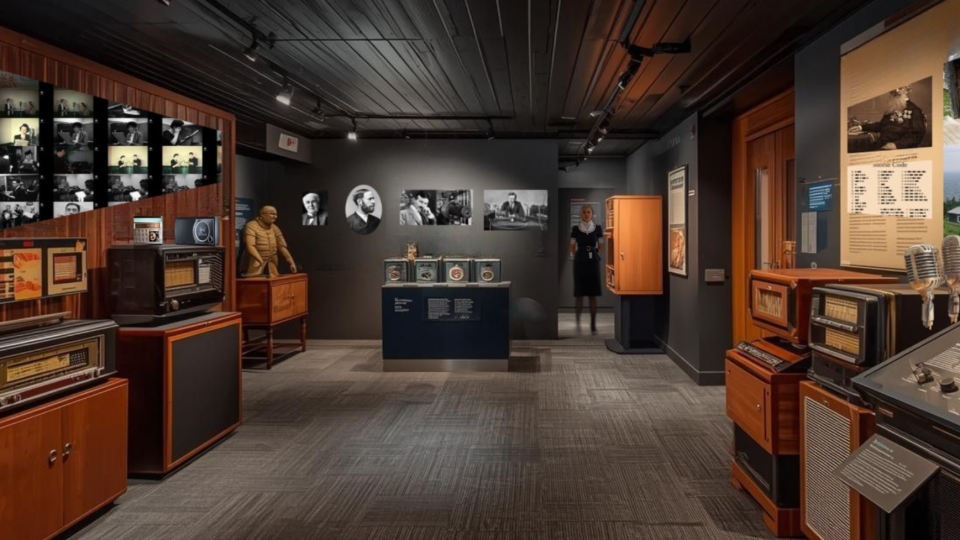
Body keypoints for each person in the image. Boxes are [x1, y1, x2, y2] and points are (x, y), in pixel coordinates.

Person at [848, 85, 926, 151]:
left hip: (899, 149)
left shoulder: (915, 110)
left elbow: (917, 135)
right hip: (882, 144)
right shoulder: (893, 109)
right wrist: (861, 127)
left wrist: (896, 145)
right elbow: (882, 125)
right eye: (892, 95)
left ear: (902, 95)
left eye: (894, 96)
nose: (891, 99)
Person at [569, 204, 604, 334]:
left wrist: (595, 255)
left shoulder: (598, 228)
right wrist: (577, 255)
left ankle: (593, 324)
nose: (586, 214)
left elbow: (600, 245)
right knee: (579, 293)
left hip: (593, 262)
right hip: (579, 262)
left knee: (592, 294)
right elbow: (572, 246)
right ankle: (577, 322)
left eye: (588, 212)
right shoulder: (576, 229)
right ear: (581, 214)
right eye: (584, 212)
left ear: (592, 213)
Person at [242, 205, 297, 277]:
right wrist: (260, 260)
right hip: (257, 261)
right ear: (262, 214)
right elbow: (250, 246)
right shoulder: (251, 225)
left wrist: (291, 262)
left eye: (276, 214)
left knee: (274, 282)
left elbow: (282, 247)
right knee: (255, 282)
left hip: (272, 261)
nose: (275, 216)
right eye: (271, 214)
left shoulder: (274, 227)